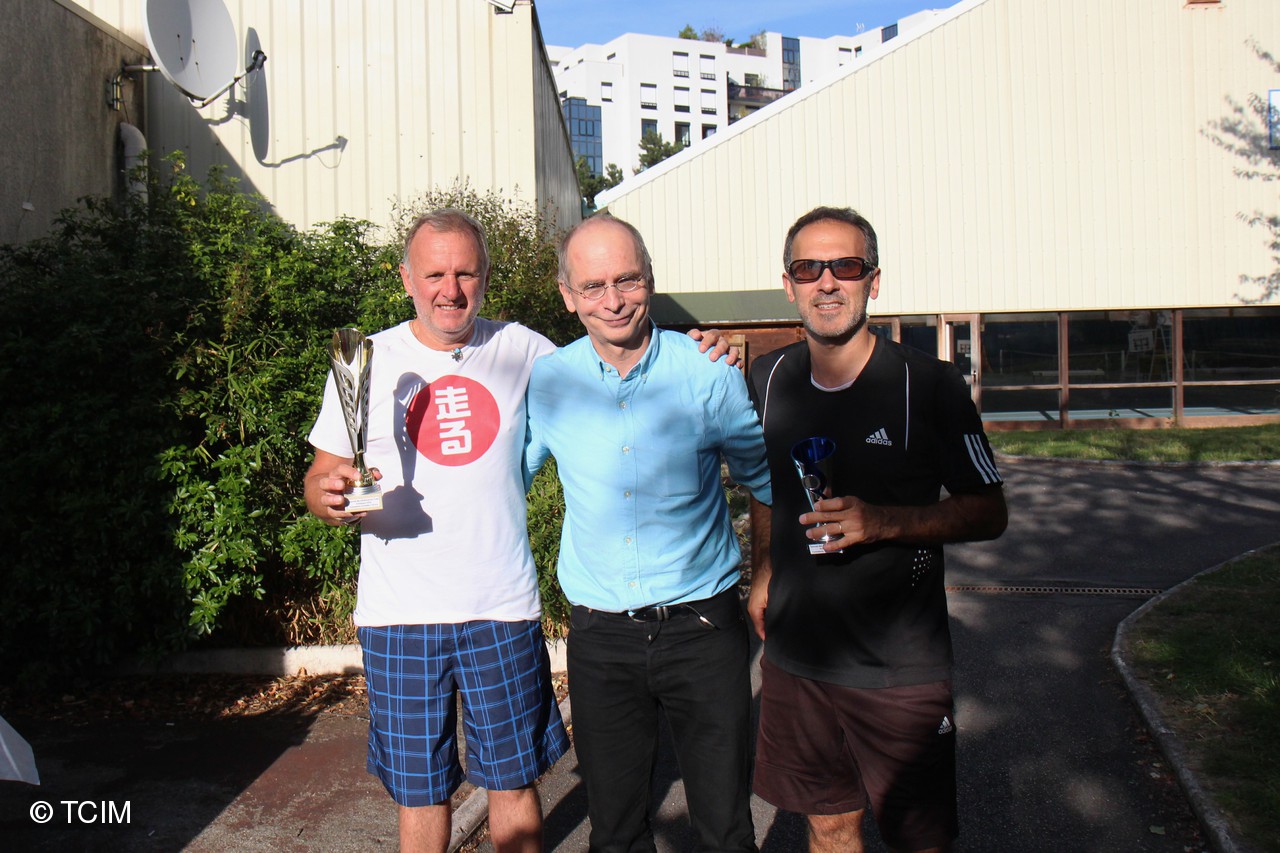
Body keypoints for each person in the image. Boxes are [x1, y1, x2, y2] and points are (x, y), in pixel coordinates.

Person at [304, 209, 737, 853]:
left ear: (484, 277)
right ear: (406, 279)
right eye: (434, 274)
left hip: (501, 606)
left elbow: (612, 357)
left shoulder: (527, 351)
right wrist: (330, 497)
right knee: (420, 793)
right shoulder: (365, 360)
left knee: (512, 781)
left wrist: (701, 351)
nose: (450, 290)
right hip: (399, 612)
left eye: (466, 273)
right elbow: (322, 476)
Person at [746, 206, 1008, 853]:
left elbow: (988, 509)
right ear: (788, 284)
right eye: (809, 267)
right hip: (799, 658)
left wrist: (884, 521)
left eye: (846, 266)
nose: (827, 281)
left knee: (919, 838)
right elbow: (766, 483)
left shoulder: (930, 385)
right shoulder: (767, 378)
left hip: (898, 665)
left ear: (874, 280)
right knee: (829, 825)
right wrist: (764, 569)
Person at [524, 213, 771, 853]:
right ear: (568, 296)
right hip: (601, 635)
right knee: (615, 833)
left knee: (725, 829)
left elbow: (766, 481)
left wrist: (770, 573)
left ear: (650, 280)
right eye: (592, 286)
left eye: (626, 280)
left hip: (703, 629)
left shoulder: (709, 370)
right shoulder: (549, 382)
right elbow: (503, 482)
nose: (612, 300)